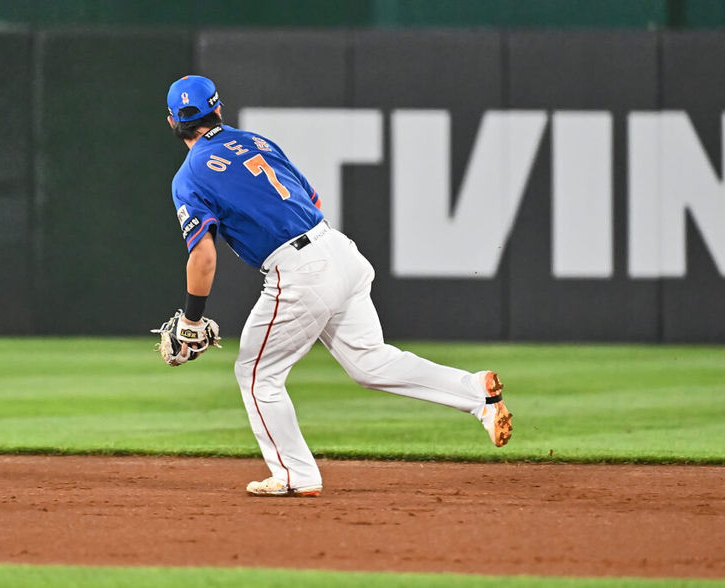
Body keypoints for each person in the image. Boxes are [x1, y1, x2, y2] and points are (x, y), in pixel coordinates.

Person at [162, 75, 513, 497]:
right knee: (371, 362)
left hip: (299, 270)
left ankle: (295, 475)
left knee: (256, 376)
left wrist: (192, 319)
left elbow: (203, 255)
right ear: (219, 109)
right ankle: (474, 392)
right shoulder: (257, 142)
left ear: (171, 123)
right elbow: (313, 201)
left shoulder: (189, 176)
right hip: (338, 249)